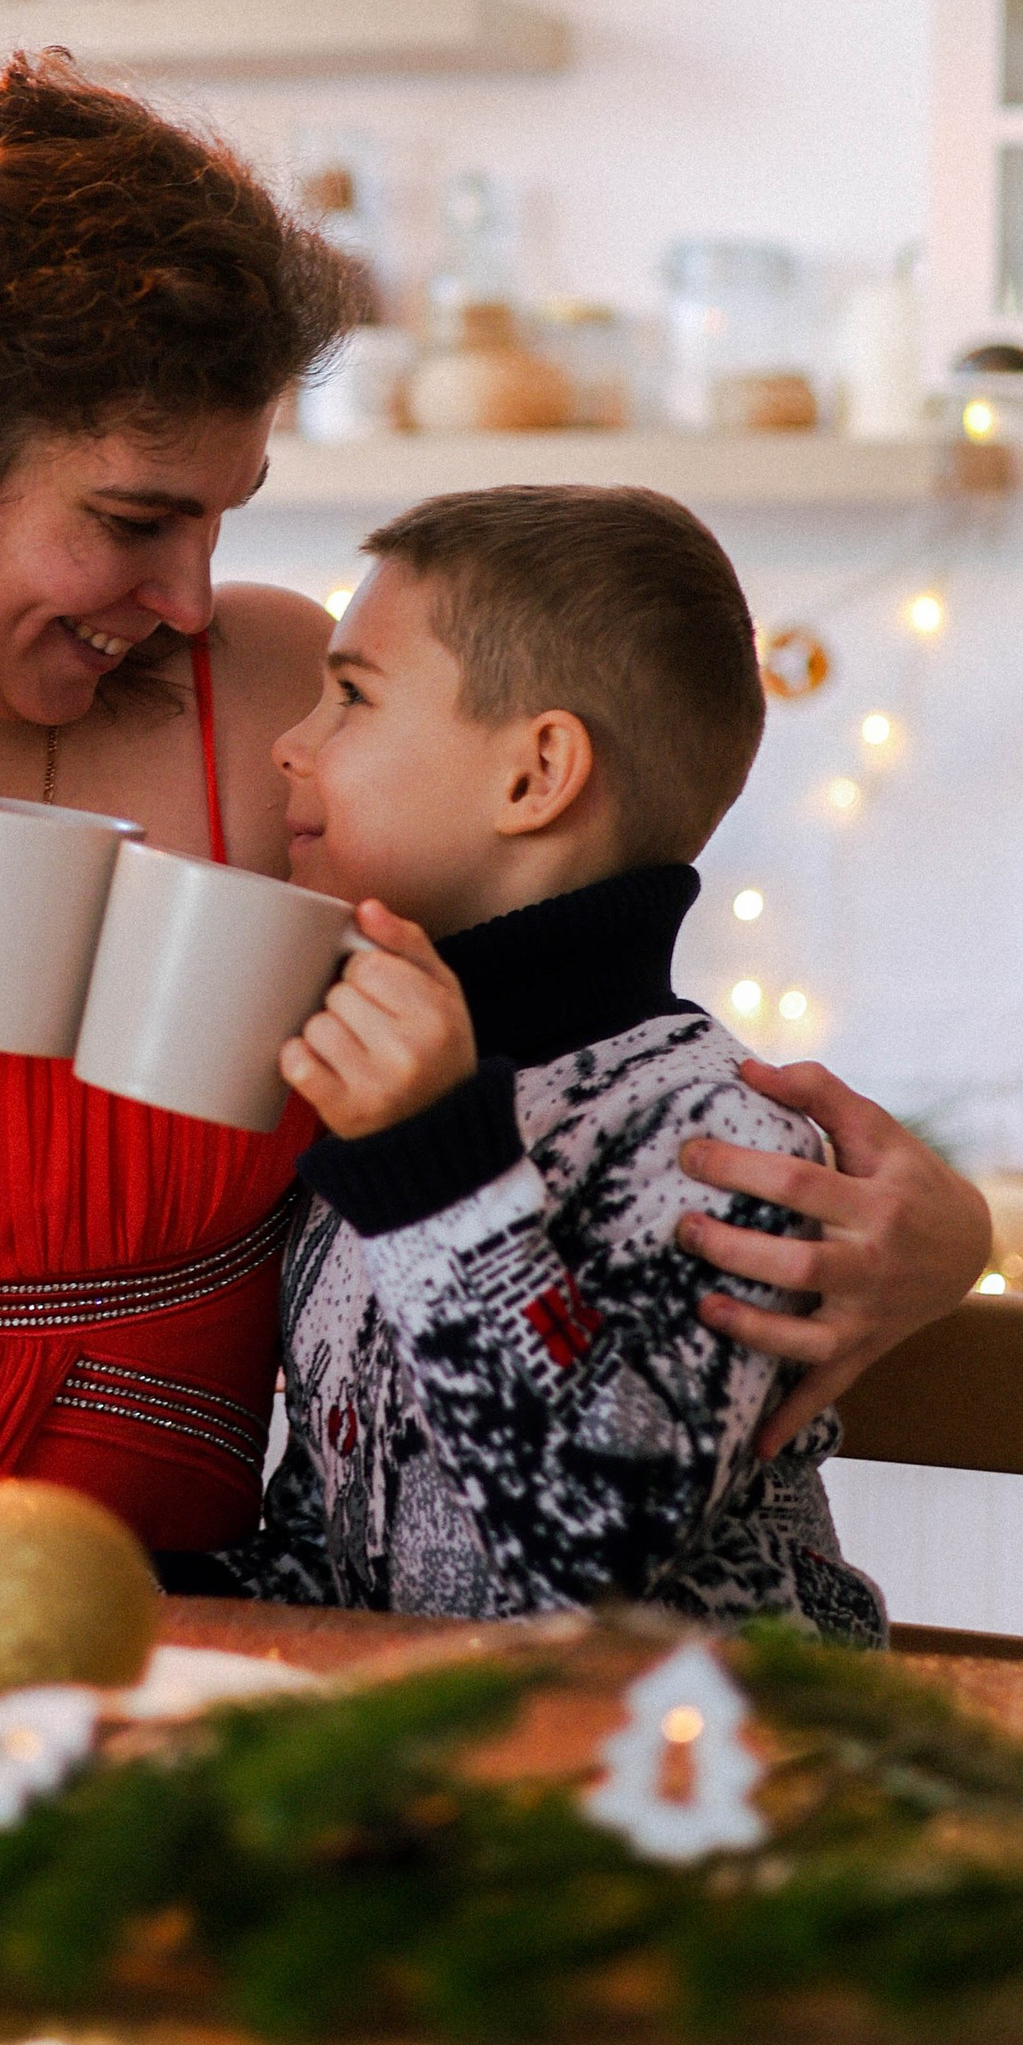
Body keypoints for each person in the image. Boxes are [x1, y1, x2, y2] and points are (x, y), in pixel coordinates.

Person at [0, 55, 985, 1568]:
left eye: (222, 520)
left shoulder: (279, 703)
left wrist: (938, 1237)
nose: (186, 597)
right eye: (133, 520)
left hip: (179, 1668)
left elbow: (577, 1034)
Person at [204, 485, 886, 1635]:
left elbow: (588, 1562)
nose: (290, 744)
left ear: (535, 774)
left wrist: (436, 1179)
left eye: (351, 697)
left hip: (694, 1745)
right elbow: (341, 1561)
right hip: (432, 1739)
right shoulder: (383, 1127)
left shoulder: (722, 1146)